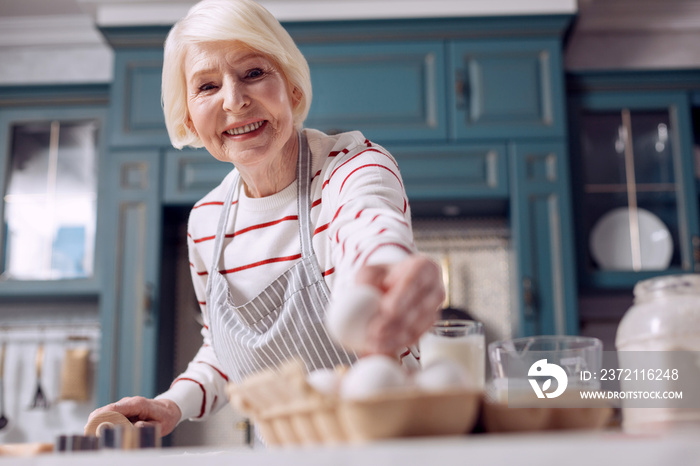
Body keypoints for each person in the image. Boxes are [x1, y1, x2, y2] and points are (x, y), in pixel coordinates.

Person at [87, 0, 444, 440]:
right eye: (207, 86)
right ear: (189, 120)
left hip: (394, 445)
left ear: (292, 89)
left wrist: (389, 271)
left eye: (254, 73)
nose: (235, 101)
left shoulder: (350, 167)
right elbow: (221, 351)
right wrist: (170, 405)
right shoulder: (206, 223)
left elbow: (369, 225)